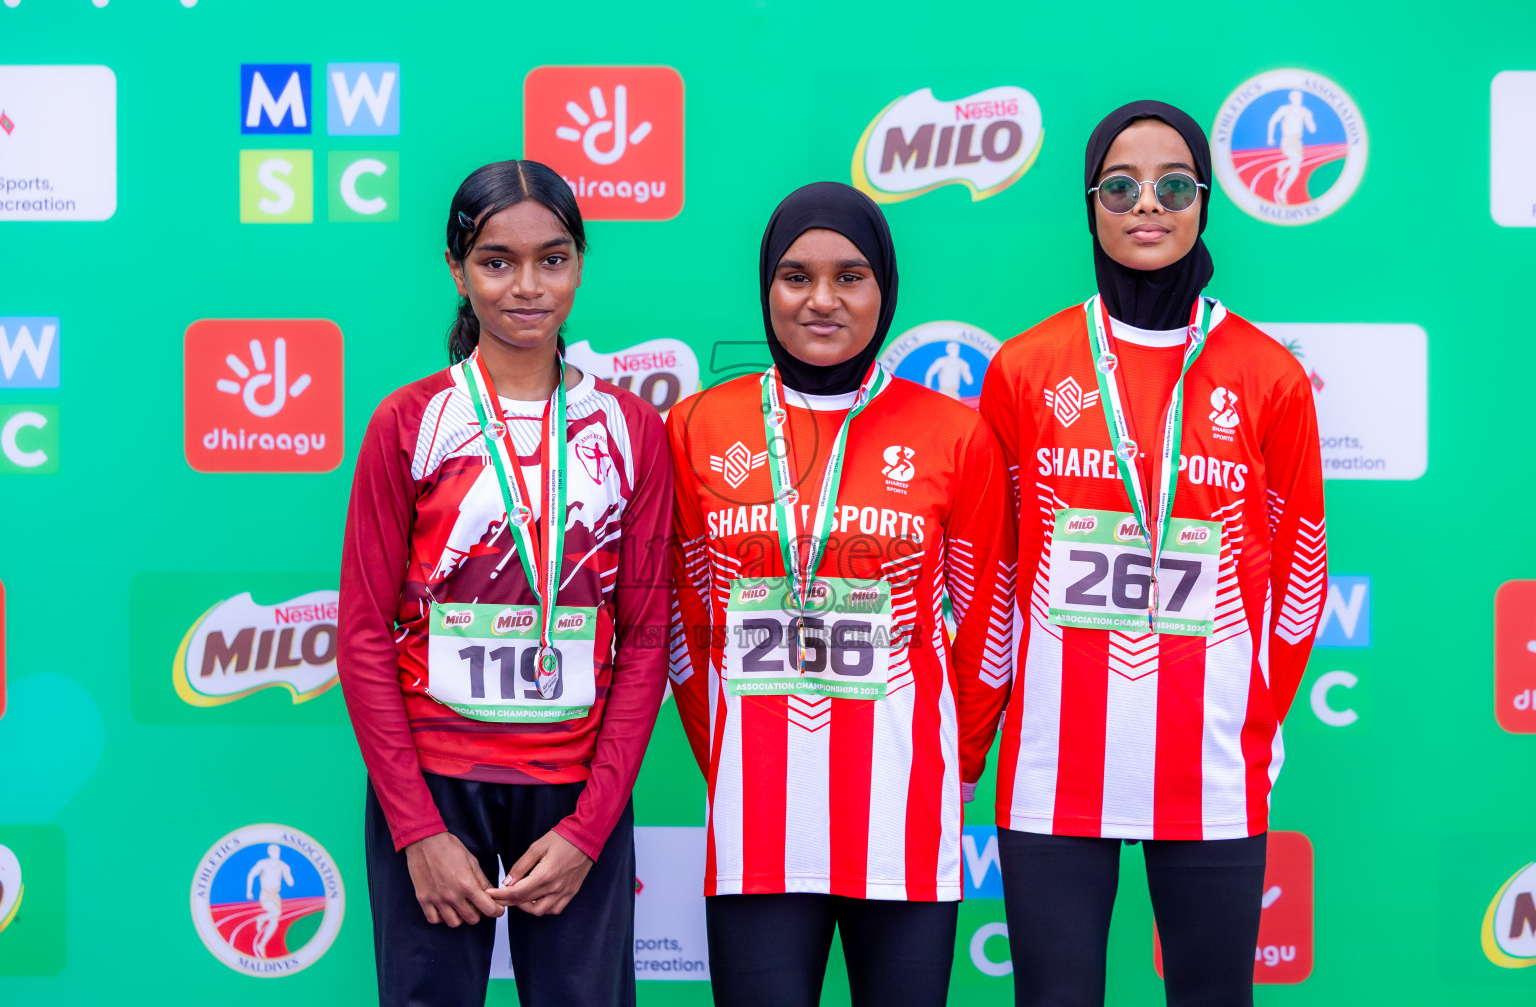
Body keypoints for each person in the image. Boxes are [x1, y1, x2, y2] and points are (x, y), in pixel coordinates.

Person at [980, 101, 1325, 1007]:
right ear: (1090, 204)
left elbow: (1302, 569)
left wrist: (1254, 716)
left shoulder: (1268, 375)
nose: (1147, 205)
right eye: (1120, 187)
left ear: (1205, 201)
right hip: (1053, 763)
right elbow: (994, 573)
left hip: (1210, 762)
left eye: (1174, 186)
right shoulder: (1024, 369)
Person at [667, 181, 1016, 1007]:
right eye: (796, 277)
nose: (821, 300)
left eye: (849, 277)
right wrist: (726, 759)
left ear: (884, 289)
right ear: (767, 289)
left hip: (903, 814)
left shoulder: (954, 434)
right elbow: (684, 624)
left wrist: (956, 765)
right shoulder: (697, 427)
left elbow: (987, 623)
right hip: (755, 820)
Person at [338, 159, 673, 1007]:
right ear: (457, 270)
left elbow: (644, 641)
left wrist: (590, 829)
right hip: (434, 784)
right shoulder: (411, 422)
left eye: (552, 259)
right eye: (497, 261)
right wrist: (416, 829)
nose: (527, 286)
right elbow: (364, 634)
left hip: (575, 790)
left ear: (580, 263)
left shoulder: (632, 428)